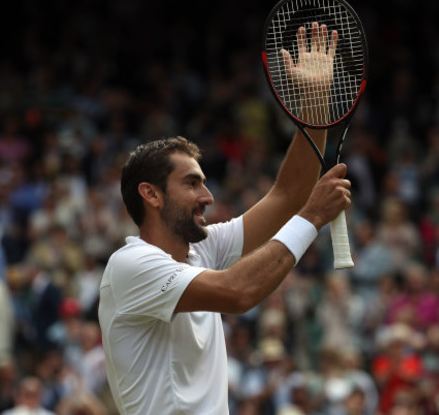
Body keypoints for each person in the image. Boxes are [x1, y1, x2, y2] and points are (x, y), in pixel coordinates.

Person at [98, 23, 352, 414]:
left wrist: (315, 104)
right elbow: (238, 293)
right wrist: (313, 216)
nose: (208, 196)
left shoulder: (203, 250)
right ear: (150, 194)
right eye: (191, 183)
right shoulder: (130, 266)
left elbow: (287, 194)